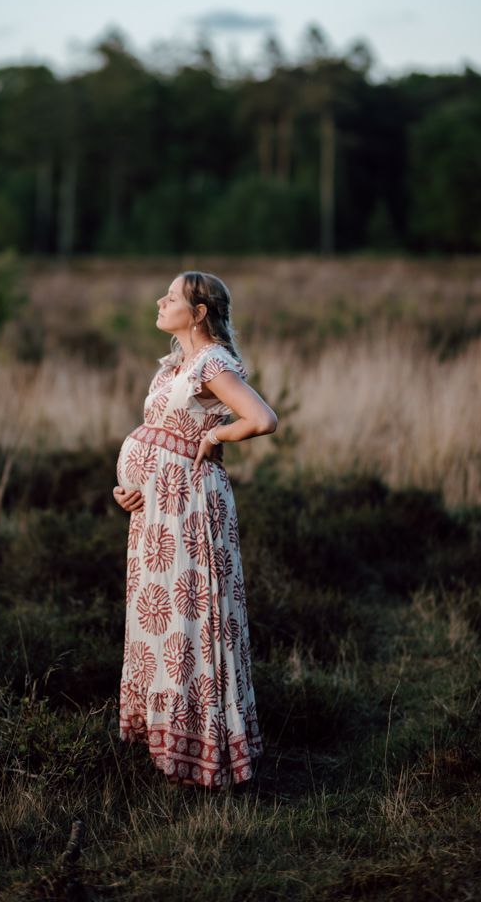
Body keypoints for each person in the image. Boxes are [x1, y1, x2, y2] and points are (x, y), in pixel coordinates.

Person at [113, 270, 277, 788]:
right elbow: (157, 434)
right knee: (159, 621)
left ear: (199, 312)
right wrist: (128, 489)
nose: (159, 302)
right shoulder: (174, 367)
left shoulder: (212, 363)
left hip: (188, 508)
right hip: (157, 513)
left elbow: (262, 418)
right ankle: (162, 745)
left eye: (172, 297)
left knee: (188, 618)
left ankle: (198, 754)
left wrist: (216, 437)